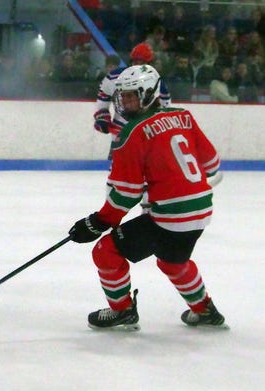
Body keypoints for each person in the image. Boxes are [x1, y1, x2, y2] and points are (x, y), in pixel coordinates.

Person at [68, 64, 226, 331]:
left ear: (149, 93)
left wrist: (97, 222)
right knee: (172, 260)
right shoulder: (183, 115)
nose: (124, 101)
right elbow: (211, 163)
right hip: (201, 210)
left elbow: (126, 194)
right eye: (123, 95)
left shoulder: (131, 134)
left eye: (131, 95)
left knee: (105, 251)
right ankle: (204, 310)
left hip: (171, 216)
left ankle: (122, 311)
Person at [93, 43, 171, 159]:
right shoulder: (114, 77)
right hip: (120, 137)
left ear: (150, 64)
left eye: (142, 63)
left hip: (147, 138)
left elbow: (164, 113)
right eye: (136, 62)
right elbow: (102, 100)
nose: (138, 66)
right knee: (117, 176)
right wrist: (102, 119)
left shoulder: (158, 84)